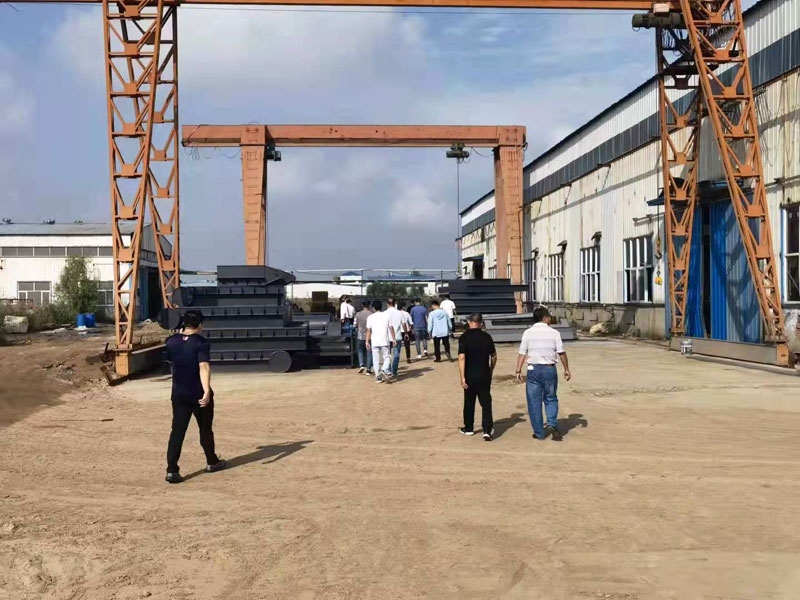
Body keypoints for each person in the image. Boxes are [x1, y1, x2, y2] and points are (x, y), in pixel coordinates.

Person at [165, 310, 227, 484]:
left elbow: (170, 360)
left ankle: (172, 470)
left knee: (177, 432)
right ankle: (212, 461)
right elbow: (204, 367)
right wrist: (206, 390)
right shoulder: (201, 343)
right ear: (200, 325)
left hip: (179, 393)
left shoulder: (171, 341)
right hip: (198, 394)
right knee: (205, 428)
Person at [515, 306, 571, 441]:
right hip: (549, 369)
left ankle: (539, 433)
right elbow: (561, 352)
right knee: (551, 397)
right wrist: (566, 369)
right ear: (546, 318)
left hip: (533, 370)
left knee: (534, 401)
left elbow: (522, 353)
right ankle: (551, 424)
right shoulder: (554, 333)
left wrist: (518, 370)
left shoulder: (528, 333)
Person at [458, 313, 497, 441]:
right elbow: (494, 356)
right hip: (484, 374)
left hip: (469, 374)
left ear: (469, 322)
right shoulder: (487, 337)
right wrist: (491, 369)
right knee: (486, 402)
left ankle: (469, 427)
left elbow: (462, 357)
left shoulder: (464, 337)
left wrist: (462, 377)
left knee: (469, 401)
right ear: (481, 323)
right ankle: (487, 430)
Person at [366, 300, 396, 383]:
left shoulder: (370, 317)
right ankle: (383, 369)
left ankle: (378, 377)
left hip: (374, 341)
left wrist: (367, 341)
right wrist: (394, 339)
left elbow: (368, 330)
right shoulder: (386, 316)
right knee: (387, 357)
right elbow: (391, 328)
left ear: (373, 308)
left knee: (375, 359)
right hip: (384, 340)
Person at [385, 297, 405, 377]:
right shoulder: (400, 313)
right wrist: (406, 333)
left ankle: (388, 369)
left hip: (387, 337)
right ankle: (394, 370)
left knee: (387, 354)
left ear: (387, 304)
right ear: (395, 303)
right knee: (396, 354)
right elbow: (403, 324)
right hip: (397, 336)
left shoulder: (384, 313)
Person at [354, 300, 374, 374]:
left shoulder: (358, 314)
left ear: (362, 305)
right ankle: (368, 369)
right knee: (369, 351)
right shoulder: (372, 314)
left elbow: (355, 324)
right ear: (369, 305)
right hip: (370, 336)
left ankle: (361, 364)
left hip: (360, 335)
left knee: (360, 350)